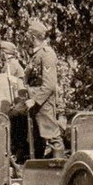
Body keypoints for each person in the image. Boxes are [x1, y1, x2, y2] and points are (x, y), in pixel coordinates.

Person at [16, 18, 65, 158]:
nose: (26, 39)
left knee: (53, 136)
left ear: (32, 37)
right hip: (36, 102)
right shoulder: (37, 54)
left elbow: (49, 84)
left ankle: (59, 169)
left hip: (44, 103)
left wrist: (35, 100)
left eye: (28, 36)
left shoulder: (47, 54)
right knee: (37, 139)